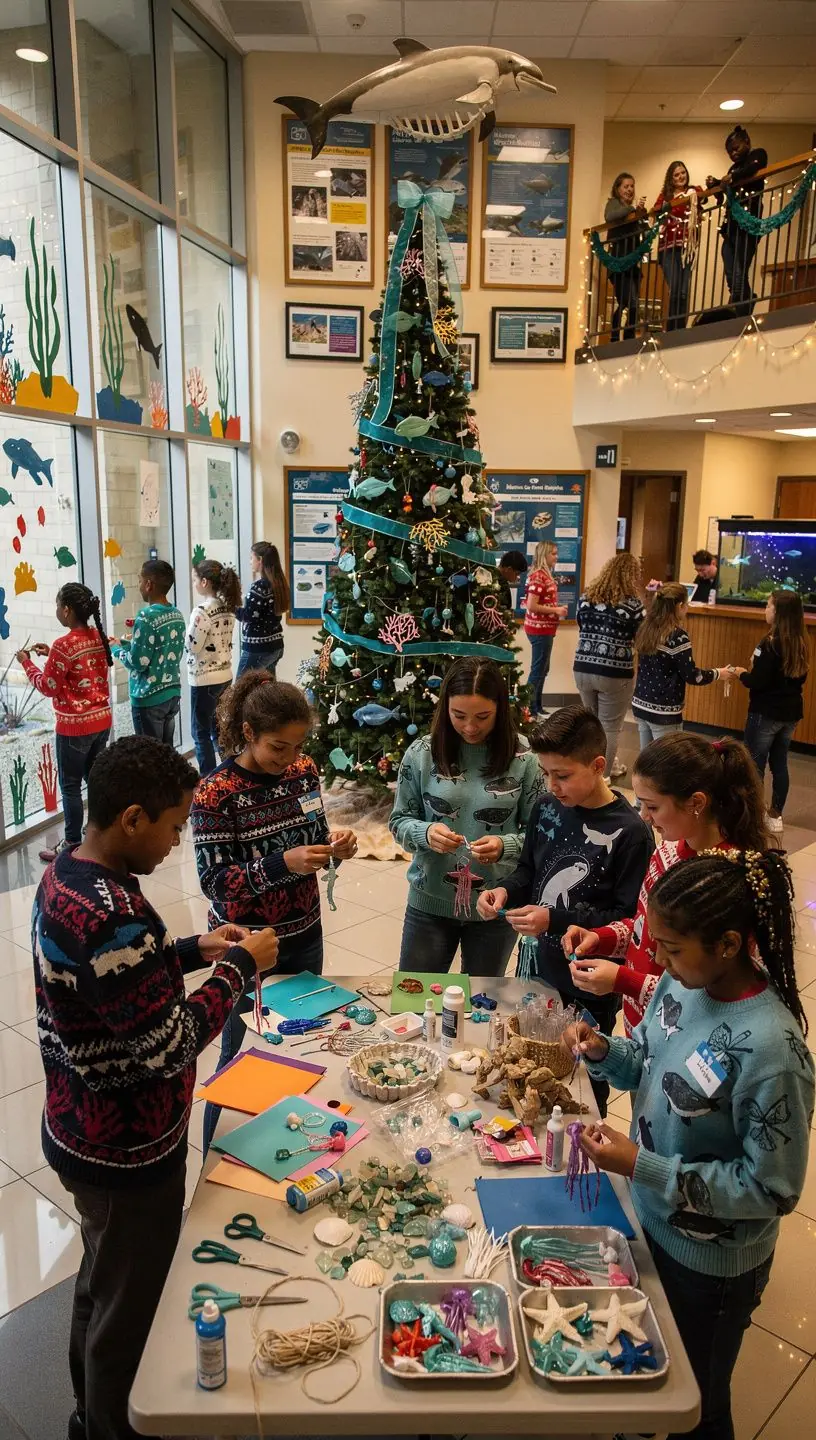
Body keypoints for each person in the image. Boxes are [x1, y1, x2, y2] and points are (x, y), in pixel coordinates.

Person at [32, 735, 279, 1440]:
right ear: (133, 818)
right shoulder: (113, 913)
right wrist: (237, 968)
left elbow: (114, 980)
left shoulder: (71, 872)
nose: (177, 842)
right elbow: (168, 1046)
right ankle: (113, 1426)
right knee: (128, 1311)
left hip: (77, 1127)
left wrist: (193, 951)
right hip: (125, 1154)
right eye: (173, 826)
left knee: (101, 1281)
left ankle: (89, 1414)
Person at [564, 849, 813, 1440]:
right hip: (648, 1220)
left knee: (695, 1403)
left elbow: (771, 1190)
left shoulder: (772, 1052)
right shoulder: (682, 984)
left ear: (728, 945)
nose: (659, 962)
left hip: (709, 1269)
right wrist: (605, 1051)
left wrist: (644, 1166)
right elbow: (647, 1061)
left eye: (672, 949)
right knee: (644, 1372)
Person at [193, 673, 357, 1152]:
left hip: (305, 934)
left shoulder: (303, 771)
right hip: (246, 947)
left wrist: (336, 845)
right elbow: (215, 882)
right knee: (239, 1056)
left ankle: (289, 1144)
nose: (289, 759)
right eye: (277, 747)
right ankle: (219, 1160)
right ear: (248, 733)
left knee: (301, 1042)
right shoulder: (215, 793)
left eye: (297, 746)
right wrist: (282, 863)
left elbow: (314, 834)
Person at [477, 707, 653, 1114]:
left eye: (563, 775)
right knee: (534, 1069)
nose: (552, 785)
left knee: (584, 1082)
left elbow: (627, 919)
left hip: (589, 983)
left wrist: (553, 919)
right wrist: (504, 891)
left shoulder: (631, 832)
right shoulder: (546, 807)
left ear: (598, 766)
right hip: (540, 969)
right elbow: (528, 871)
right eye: (545, 774)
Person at [564, 731, 768, 1035]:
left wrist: (624, 981)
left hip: (682, 1036)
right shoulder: (667, 851)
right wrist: (601, 937)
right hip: (641, 1026)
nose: (644, 817)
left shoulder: (728, 882)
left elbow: (710, 996)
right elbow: (645, 928)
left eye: (653, 806)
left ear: (696, 802)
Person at [390, 658, 540, 978]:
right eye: (459, 715)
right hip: (430, 901)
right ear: (445, 708)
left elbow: (540, 835)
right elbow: (399, 820)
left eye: (482, 717)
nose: (470, 727)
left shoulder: (525, 759)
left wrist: (505, 845)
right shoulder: (421, 753)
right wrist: (425, 833)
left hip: (496, 903)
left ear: (500, 710)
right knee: (415, 997)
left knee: (482, 1001)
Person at [17, 583, 113, 863]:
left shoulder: (64, 644)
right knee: (93, 781)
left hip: (75, 728)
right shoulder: (97, 636)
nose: (57, 611)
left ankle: (71, 844)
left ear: (67, 610)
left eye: (58, 606)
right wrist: (51, 655)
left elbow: (48, 686)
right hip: (101, 722)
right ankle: (97, 835)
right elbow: (81, 668)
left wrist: (26, 663)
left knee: (70, 786)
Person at [735, 589, 809, 834]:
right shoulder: (801, 643)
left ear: (779, 612)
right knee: (780, 764)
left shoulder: (770, 643)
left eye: (768, 605)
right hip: (790, 713)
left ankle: (753, 815)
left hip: (765, 712)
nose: (765, 609)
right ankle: (776, 815)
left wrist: (741, 673)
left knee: (753, 764)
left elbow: (758, 681)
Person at [573, 551, 645, 780]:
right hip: (614, 672)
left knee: (591, 724)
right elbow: (641, 639)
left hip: (583, 668)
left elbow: (580, 624)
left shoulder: (586, 598)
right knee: (610, 727)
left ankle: (592, 771)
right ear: (631, 576)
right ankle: (602, 779)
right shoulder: (633, 606)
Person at [632, 582, 728, 746]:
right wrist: (718, 673)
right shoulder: (678, 637)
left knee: (646, 756)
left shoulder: (645, 628)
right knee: (668, 758)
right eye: (687, 604)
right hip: (664, 711)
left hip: (641, 703)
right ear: (680, 606)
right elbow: (692, 676)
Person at [111, 559, 184, 745]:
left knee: (150, 755)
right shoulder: (176, 614)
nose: (139, 585)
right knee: (166, 752)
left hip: (149, 698)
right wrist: (126, 643)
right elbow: (160, 649)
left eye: (139, 580)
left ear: (149, 584)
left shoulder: (146, 617)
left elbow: (138, 663)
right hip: (172, 693)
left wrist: (116, 649)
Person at [185, 558, 241, 775]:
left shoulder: (202, 611)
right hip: (224, 675)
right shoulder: (227, 608)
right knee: (219, 729)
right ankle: (228, 772)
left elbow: (192, 646)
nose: (194, 584)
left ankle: (208, 778)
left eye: (195, 580)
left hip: (204, 679)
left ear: (205, 582)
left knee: (200, 733)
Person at [707, 125, 768, 317]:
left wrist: (732, 177)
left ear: (746, 142)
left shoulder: (758, 154)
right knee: (729, 264)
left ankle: (740, 311)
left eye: (736, 148)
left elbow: (753, 168)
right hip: (731, 224)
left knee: (739, 269)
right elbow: (728, 185)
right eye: (729, 152)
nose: (733, 154)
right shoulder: (733, 168)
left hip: (748, 223)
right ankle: (745, 300)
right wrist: (716, 183)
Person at [655, 159, 703, 330]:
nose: (681, 176)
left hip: (687, 248)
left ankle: (680, 328)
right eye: (676, 175)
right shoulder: (665, 196)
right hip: (668, 248)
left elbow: (703, 195)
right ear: (671, 178)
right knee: (675, 288)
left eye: (683, 172)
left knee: (683, 291)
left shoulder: (693, 191)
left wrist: (693, 193)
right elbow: (657, 210)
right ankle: (671, 329)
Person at [524, 541, 567, 717]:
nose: (556, 557)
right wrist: (555, 610)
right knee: (538, 669)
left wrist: (556, 609)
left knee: (543, 669)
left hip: (546, 629)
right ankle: (529, 708)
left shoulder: (544, 575)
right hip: (539, 629)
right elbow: (531, 605)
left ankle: (537, 706)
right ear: (545, 555)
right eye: (553, 554)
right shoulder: (538, 576)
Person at [604, 172, 648, 341]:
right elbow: (610, 216)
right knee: (632, 303)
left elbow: (644, 231)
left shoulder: (633, 211)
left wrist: (641, 216)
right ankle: (624, 338)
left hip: (632, 265)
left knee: (625, 303)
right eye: (626, 186)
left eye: (632, 186)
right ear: (618, 189)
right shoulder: (614, 203)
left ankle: (616, 336)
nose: (630, 189)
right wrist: (632, 209)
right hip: (619, 262)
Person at [236, 541, 290, 677]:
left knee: (241, 687)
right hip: (275, 646)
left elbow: (248, 616)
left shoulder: (260, 587)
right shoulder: (278, 584)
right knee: (266, 687)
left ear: (260, 560)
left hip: (258, 649)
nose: (250, 562)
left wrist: (230, 607)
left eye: (251, 558)